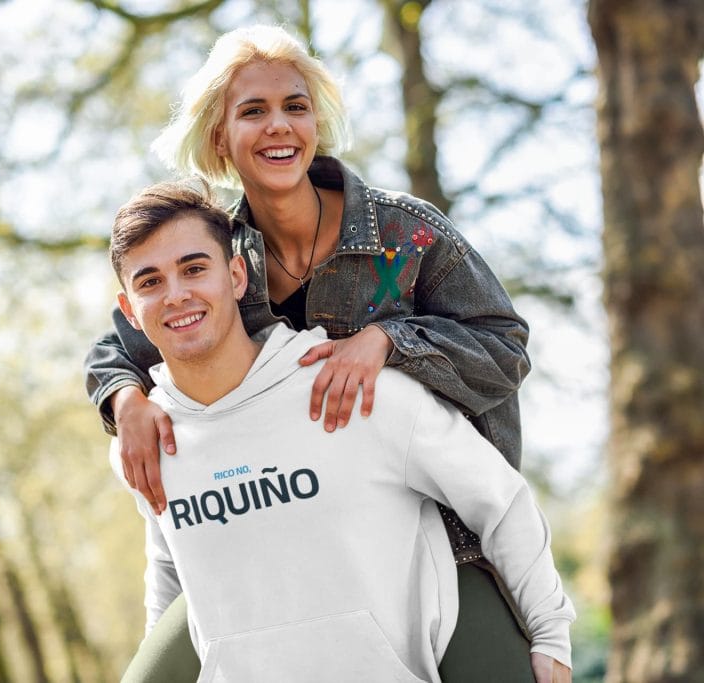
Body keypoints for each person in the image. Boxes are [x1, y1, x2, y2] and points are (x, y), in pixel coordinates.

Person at [85, 25, 534, 681]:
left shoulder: (404, 236)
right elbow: (118, 345)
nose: (279, 126)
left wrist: (388, 341)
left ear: (315, 123)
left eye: (295, 106)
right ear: (220, 137)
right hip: (267, 543)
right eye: (253, 110)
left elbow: (503, 347)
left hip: (435, 541)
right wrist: (126, 400)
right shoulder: (212, 256)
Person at [105, 181, 574, 682]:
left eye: (195, 269)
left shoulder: (358, 395)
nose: (177, 295)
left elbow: (500, 501)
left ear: (237, 276)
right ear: (130, 311)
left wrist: (551, 634)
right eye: (150, 282)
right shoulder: (146, 440)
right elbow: (172, 571)